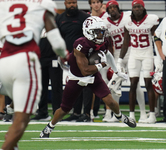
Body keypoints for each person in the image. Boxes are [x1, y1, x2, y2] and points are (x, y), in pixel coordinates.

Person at [40, 16, 136, 138]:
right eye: (97, 32)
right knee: (64, 109)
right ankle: (49, 127)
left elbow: (108, 54)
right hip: (77, 77)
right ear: (88, 31)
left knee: (110, 101)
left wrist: (116, 71)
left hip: (93, 75)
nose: (101, 35)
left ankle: (120, 116)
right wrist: (101, 64)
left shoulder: (103, 41)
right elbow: (84, 71)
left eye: (102, 31)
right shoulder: (80, 45)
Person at [0, 0, 68, 149]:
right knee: (24, 116)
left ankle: (12, 141)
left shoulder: (4, 5)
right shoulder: (42, 6)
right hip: (25, 60)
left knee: (18, 107)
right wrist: (64, 54)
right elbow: (56, 42)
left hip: (3, 62)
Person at [102, 0, 147, 123]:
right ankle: (116, 115)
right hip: (118, 55)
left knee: (135, 83)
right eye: (109, 8)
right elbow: (108, 42)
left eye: (114, 7)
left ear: (118, 8)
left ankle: (143, 113)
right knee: (115, 84)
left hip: (132, 51)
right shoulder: (105, 23)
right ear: (107, 11)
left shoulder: (128, 16)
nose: (112, 9)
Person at [118, 0, 159, 123]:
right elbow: (125, 43)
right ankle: (131, 115)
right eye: (135, 7)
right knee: (133, 84)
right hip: (134, 54)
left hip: (147, 54)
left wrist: (158, 57)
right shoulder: (127, 21)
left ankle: (152, 114)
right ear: (132, 8)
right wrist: (120, 60)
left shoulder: (151, 20)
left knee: (148, 83)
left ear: (143, 8)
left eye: (139, 7)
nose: (137, 9)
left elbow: (156, 38)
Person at [55, 0, 91, 122]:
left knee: (86, 84)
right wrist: (60, 52)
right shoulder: (60, 18)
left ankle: (86, 113)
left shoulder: (85, 17)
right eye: (70, 3)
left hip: (83, 55)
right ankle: (75, 112)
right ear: (65, 3)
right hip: (68, 57)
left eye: (74, 2)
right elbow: (58, 37)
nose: (72, 5)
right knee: (73, 84)